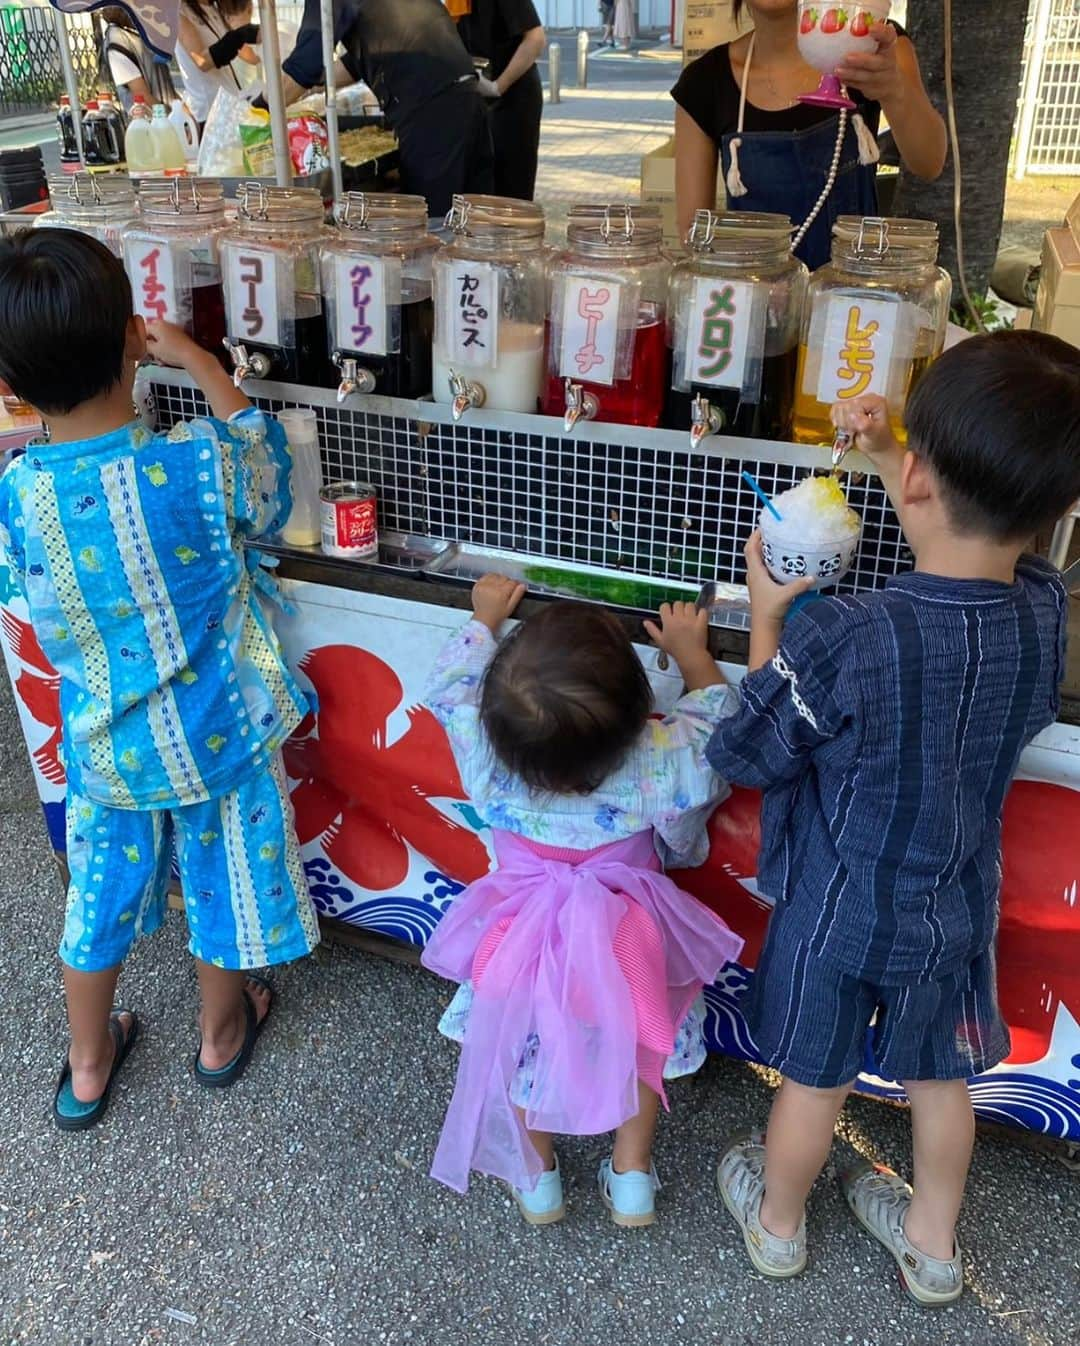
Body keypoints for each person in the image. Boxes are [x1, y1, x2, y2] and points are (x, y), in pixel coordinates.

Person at [705, 331, 1080, 1305]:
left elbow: (751, 742)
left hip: (838, 910)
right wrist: (892, 459)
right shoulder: (1043, 614)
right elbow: (976, 545)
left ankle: (778, 1223)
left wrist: (770, 613)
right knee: (937, 1077)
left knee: (815, 1082)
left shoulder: (847, 635)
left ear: (914, 476)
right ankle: (933, 1244)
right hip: (953, 906)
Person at [0, 230, 320, 1131]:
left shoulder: (19, 494)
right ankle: (221, 1033)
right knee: (220, 877)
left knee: (97, 892)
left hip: (105, 744)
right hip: (216, 731)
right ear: (132, 343)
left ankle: (91, 1061)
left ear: (14, 386)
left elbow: (19, 590)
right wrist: (205, 363)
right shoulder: (191, 463)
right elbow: (267, 482)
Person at [421, 581, 744, 1226]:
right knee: (636, 1045)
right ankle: (632, 1180)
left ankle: (537, 1180)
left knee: (525, 1048)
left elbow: (450, 686)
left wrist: (484, 620)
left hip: (524, 941)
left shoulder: (484, 749)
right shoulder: (656, 758)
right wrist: (693, 656)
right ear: (638, 714)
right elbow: (717, 723)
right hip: (627, 942)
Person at [672, 0, 946, 267]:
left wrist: (894, 89)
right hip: (755, 299)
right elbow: (693, 232)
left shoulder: (870, 48)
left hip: (851, 297)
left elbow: (929, 162)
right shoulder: (704, 82)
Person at [281, 0, 494, 218]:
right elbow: (354, 64)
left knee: (436, 224)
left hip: (432, 114)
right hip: (468, 97)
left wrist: (264, 102)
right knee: (474, 222)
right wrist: (313, 85)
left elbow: (306, 63)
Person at [453, 0, 546, 201]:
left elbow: (535, 39)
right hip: (478, 97)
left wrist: (498, 86)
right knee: (481, 190)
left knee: (510, 192)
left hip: (513, 97)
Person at [177, 0, 260, 132]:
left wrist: (269, 47)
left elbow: (247, 53)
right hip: (211, 115)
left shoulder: (213, 8)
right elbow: (202, 61)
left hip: (231, 107)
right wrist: (239, 36)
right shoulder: (180, 13)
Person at [98, 6, 180, 111]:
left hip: (167, 116)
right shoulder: (118, 39)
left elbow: (166, 89)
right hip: (150, 121)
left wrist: (182, 113)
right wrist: (170, 118)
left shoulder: (141, 35)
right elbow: (142, 95)